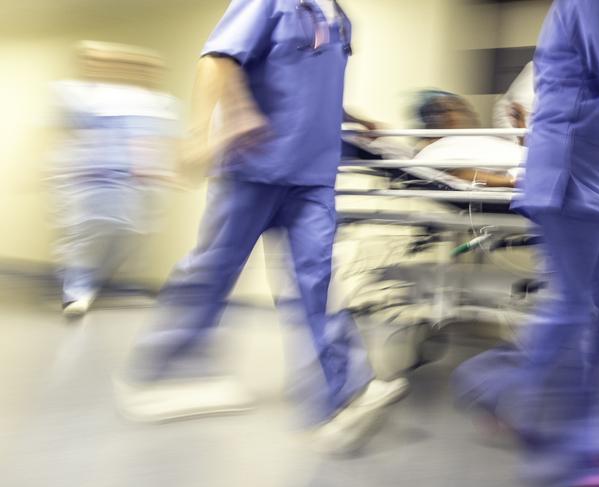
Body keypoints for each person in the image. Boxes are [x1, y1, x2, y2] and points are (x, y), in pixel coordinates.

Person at [118, 0, 408, 453]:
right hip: (254, 167)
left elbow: (307, 87)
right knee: (214, 270)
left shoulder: (342, 20)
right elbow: (217, 58)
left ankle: (342, 397)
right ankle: (159, 371)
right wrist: (219, 123)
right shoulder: (272, 3)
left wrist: (353, 120)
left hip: (312, 176)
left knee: (317, 281)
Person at [454, 1, 599, 486]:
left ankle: (503, 389)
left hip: (597, 178)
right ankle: (566, 449)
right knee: (575, 309)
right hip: (570, 177)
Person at [50, 41, 179, 317]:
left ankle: (92, 283)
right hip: (86, 180)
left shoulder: (143, 100)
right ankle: (75, 293)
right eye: (92, 61)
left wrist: (162, 172)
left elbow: (152, 140)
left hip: (129, 183)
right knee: (83, 238)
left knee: (128, 234)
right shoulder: (73, 94)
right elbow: (63, 134)